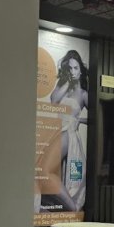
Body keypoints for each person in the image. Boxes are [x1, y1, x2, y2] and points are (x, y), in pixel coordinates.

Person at [48, 49, 88, 211]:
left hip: (69, 136)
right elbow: (53, 102)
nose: (73, 71)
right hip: (57, 132)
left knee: (46, 171)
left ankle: (73, 209)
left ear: (80, 70)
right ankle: (71, 210)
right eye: (69, 68)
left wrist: (79, 120)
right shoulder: (61, 87)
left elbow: (96, 119)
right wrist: (67, 83)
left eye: (76, 68)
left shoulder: (83, 94)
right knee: (50, 174)